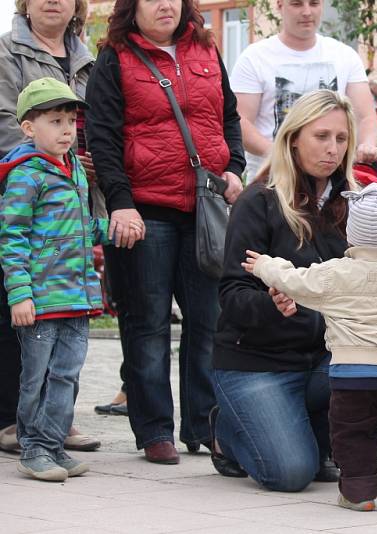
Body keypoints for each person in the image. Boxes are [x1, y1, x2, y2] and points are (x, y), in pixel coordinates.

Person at [85, 0, 245, 464]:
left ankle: (204, 426)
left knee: (209, 322)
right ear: (131, 7)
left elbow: (228, 117)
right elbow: (103, 136)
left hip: (205, 207)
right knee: (147, 324)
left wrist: (233, 165)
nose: (165, 5)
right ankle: (154, 429)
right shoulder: (114, 58)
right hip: (144, 212)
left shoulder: (207, 51)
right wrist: (120, 202)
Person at [243, 182, 377, 511]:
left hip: (353, 376)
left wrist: (266, 265)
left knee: (353, 433)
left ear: (351, 234)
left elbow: (294, 280)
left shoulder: (333, 274)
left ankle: (358, 491)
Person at [211, 89, 356, 491]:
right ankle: (226, 427)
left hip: (326, 359)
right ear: (293, 138)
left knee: (375, 367)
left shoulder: (354, 206)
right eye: (321, 136)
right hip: (258, 362)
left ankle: (311, 429)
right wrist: (272, 304)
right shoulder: (258, 201)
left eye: (341, 139)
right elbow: (232, 294)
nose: (332, 149)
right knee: (291, 474)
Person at [0, 0, 102, 455]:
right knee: (33, 369)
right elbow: (13, 237)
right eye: (57, 121)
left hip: (74, 291)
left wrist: (106, 229)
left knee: (65, 367)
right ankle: (29, 439)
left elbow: (79, 228)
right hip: (39, 289)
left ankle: (54, 434)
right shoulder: (6, 54)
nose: (67, 129)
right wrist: (19, 293)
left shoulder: (85, 55)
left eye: (70, 121)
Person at [230, 0, 377, 177]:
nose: (307, 12)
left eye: (314, 4)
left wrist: (367, 145)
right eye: (297, 4)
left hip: (333, 181)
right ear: (280, 5)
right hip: (274, 179)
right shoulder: (255, 58)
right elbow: (240, 122)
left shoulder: (344, 55)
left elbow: (366, 117)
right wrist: (283, 156)